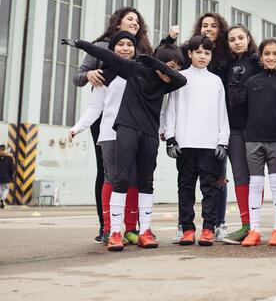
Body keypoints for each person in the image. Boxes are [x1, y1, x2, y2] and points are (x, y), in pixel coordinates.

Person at [61, 38, 187, 251]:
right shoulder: (131, 70)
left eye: (172, 69)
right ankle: (114, 230)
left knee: (144, 182)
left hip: (147, 132)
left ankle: (142, 230)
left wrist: (158, 64)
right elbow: (106, 56)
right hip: (122, 129)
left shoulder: (163, 83)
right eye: (166, 66)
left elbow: (180, 80)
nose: (168, 72)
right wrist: (79, 44)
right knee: (119, 179)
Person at [73, 7, 153, 242]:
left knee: (135, 173)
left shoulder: (142, 51)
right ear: (117, 23)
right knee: (108, 172)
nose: (135, 23)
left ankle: (132, 226)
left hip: (136, 119)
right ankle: (106, 225)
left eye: (138, 21)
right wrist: (88, 76)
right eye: (130, 19)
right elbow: (79, 77)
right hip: (106, 118)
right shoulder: (100, 47)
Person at [160, 13, 232, 242]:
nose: (202, 56)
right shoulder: (179, 78)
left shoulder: (216, 81)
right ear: (189, 53)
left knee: (209, 189)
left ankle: (208, 228)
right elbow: (169, 110)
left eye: (207, 52)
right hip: (185, 142)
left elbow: (223, 113)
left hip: (210, 143)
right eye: (198, 52)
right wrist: (171, 138)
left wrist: (223, 140)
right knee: (186, 187)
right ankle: (187, 228)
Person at [228, 38, 276, 247]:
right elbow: (236, 101)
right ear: (261, 57)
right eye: (267, 54)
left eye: (275, 54)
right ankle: (254, 230)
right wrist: (235, 79)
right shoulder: (252, 81)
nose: (271, 58)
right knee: (255, 185)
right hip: (253, 140)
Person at [220, 24, 260, 245]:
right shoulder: (224, 66)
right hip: (234, 128)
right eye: (232, 39)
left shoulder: (258, 61)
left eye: (240, 37)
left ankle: (256, 226)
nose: (237, 42)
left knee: (257, 177)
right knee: (240, 175)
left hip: (256, 128)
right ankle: (246, 225)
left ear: (248, 38)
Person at [0, 144, 14, 209]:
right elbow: (11, 168)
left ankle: (1, 199)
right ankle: (2, 199)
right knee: (6, 189)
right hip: (6, 177)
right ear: (5, 149)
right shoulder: (9, 158)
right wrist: (11, 176)